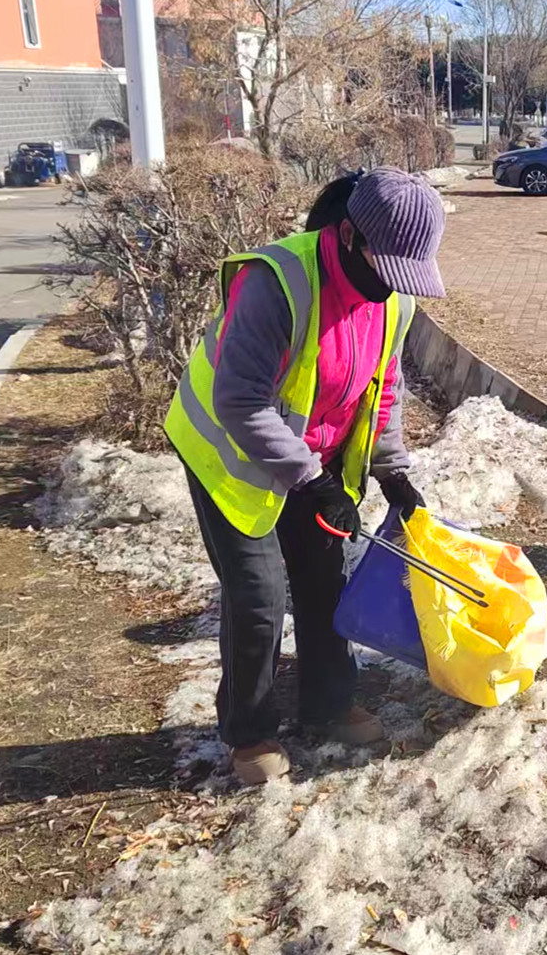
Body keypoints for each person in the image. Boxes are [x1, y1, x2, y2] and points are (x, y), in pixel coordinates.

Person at [164, 167, 445, 785]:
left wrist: (392, 471)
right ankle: (250, 733)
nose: (389, 289)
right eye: (385, 270)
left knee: (327, 578)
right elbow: (240, 400)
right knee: (259, 596)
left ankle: (327, 705)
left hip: (309, 460)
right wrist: (310, 479)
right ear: (347, 236)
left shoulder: (393, 299)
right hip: (231, 455)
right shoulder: (279, 283)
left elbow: (383, 389)